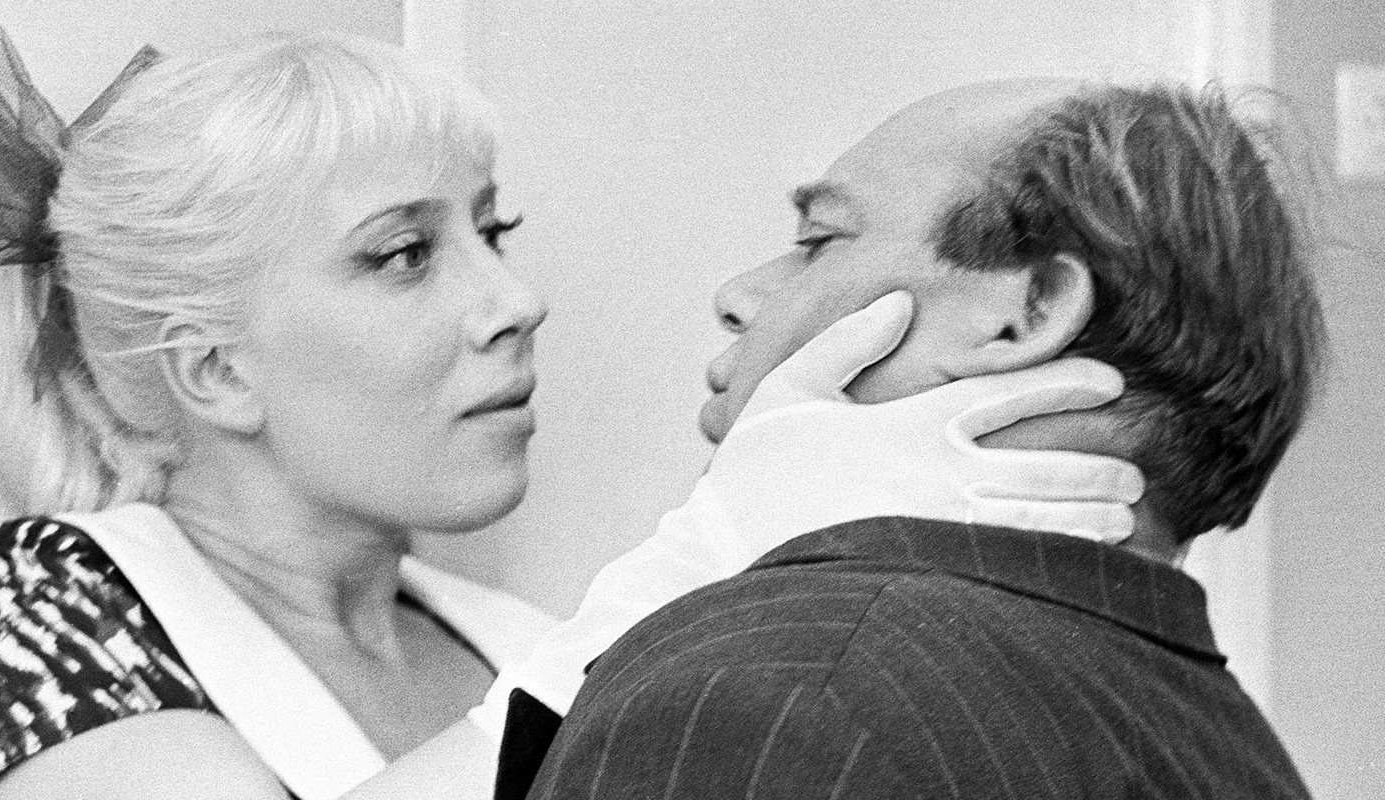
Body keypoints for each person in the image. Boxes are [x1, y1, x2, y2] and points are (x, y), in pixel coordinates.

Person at [0, 27, 1145, 800]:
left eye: (492, 232)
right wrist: (700, 559)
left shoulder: (525, 640)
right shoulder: (36, 598)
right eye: (403, 254)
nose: (516, 301)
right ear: (216, 371)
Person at [495, 79, 1323, 799]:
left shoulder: (786, 690)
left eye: (817, 242)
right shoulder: (1233, 749)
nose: (736, 295)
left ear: (1027, 309)